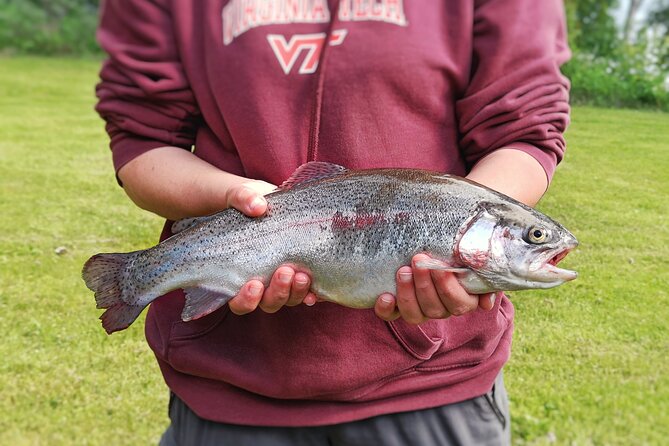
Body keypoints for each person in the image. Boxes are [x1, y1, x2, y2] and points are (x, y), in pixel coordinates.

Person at [95, 0, 570, 444]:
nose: (541, 244)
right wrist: (230, 196)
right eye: (535, 236)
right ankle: (138, 277)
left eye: (534, 236)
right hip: (228, 392)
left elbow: (525, 128)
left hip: (437, 388)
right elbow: (142, 141)